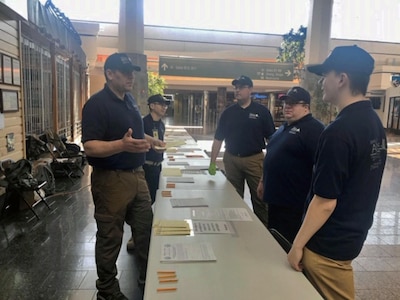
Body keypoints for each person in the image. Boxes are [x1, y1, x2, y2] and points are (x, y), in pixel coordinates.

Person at [287, 45, 387, 299]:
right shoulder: (373, 122)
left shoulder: (338, 132)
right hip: (352, 235)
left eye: (326, 75)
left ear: (342, 79)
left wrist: (297, 245)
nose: (321, 82)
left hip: (328, 247)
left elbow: (325, 202)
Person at [82, 53, 164, 300]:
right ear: (109, 74)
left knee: (145, 228)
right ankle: (107, 290)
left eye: (132, 72)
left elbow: (134, 135)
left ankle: (147, 279)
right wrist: (121, 145)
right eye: (125, 72)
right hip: (111, 180)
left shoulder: (129, 100)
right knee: (110, 236)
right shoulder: (97, 105)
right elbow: (91, 147)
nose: (131, 76)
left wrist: (151, 141)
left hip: (137, 176)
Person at [257, 86, 324, 243]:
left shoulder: (314, 130)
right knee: (276, 238)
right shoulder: (285, 126)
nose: (287, 106)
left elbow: (321, 167)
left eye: (293, 103)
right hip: (276, 200)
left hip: (294, 204)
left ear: (306, 107)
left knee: (288, 241)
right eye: (286, 103)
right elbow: (273, 156)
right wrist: (263, 180)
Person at [208, 75, 275, 228]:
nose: (237, 90)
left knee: (259, 198)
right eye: (235, 87)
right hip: (231, 159)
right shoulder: (228, 113)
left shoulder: (262, 112)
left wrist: (270, 164)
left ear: (250, 89)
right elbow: (218, 139)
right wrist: (212, 162)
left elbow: (271, 140)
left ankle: (263, 230)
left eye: (241, 87)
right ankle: (236, 229)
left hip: (254, 159)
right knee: (233, 198)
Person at [143, 94, 170, 203]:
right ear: (152, 106)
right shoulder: (143, 123)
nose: (164, 107)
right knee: (146, 200)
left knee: (155, 197)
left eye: (166, 105)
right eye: (161, 105)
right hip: (145, 166)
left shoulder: (161, 125)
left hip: (157, 166)